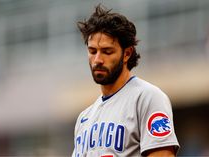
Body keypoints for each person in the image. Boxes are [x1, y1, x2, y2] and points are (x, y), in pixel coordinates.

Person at [72, 4, 179, 157]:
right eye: (92, 51)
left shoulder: (147, 97)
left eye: (107, 52)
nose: (97, 60)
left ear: (127, 53)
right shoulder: (84, 118)